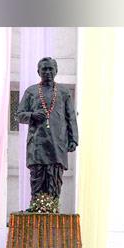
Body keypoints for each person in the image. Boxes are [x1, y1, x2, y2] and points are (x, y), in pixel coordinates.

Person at [16, 56, 79, 213]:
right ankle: (36, 205)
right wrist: (32, 115)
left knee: (55, 176)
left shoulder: (64, 92)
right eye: (44, 69)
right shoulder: (31, 91)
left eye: (51, 68)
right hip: (37, 142)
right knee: (37, 175)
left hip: (58, 142)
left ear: (56, 70)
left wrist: (73, 139)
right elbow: (18, 115)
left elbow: (70, 116)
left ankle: (52, 206)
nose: (48, 72)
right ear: (38, 71)